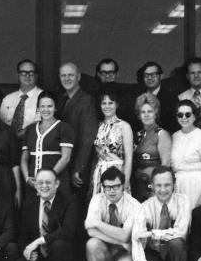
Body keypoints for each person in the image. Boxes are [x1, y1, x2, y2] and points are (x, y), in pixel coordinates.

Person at [16, 168, 80, 261]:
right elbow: (22, 235)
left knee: (60, 244)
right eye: (40, 183)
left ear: (57, 184)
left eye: (48, 182)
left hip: (63, 254)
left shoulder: (69, 201)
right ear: (35, 185)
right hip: (41, 256)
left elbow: (68, 230)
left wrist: (39, 241)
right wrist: (27, 251)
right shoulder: (29, 203)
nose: (44, 186)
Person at [130, 166, 191, 261]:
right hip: (154, 255)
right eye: (158, 185)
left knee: (177, 243)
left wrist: (152, 233)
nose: (163, 190)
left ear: (174, 185)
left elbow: (180, 232)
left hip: (175, 257)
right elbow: (136, 239)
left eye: (167, 185)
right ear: (152, 186)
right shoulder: (144, 207)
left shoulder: (183, 201)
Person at [85, 167, 141, 261]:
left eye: (116, 186)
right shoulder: (97, 200)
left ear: (124, 186)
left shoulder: (134, 205)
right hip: (107, 249)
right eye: (107, 187)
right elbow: (90, 231)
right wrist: (120, 240)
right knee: (92, 244)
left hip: (124, 252)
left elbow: (125, 236)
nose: (111, 191)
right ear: (102, 188)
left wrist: (98, 224)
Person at [21, 90, 74, 198]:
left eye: (49, 106)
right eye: (42, 106)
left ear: (55, 108)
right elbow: (24, 158)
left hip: (56, 182)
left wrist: (48, 178)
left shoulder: (63, 128)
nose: (46, 110)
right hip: (33, 184)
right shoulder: (30, 129)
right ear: (38, 108)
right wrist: (27, 178)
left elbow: (66, 158)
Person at [56, 62, 98, 196]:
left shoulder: (87, 100)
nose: (67, 79)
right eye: (63, 75)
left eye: (70, 75)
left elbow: (87, 137)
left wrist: (78, 168)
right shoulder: (62, 99)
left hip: (77, 167)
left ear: (78, 77)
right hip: (64, 164)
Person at [170, 100, 201, 209]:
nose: (184, 117)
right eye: (180, 115)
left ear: (194, 116)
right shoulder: (174, 136)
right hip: (178, 185)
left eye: (188, 114)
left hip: (196, 185)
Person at [91, 86, 133, 195]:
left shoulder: (124, 126)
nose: (107, 106)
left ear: (117, 104)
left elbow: (129, 158)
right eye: (104, 103)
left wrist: (126, 182)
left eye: (110, 103)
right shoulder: (98, 126)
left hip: (118, 174)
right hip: (99, 174)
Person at [131, 93, 172, 201]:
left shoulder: (161, 134)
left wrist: (159, 187)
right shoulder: (138, 135)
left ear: (156, 113)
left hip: (154, 187)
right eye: (143, 112)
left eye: (150, 111)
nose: (146, 115)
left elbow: (166, 165)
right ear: (139, 115)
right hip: (138, 186)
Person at [0, 59, 43, 138]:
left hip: (32, 142)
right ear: (18, 76)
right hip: (8, 143)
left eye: (31, 72)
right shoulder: (8, 99)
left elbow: (40, 123)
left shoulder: (43, 97)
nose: (27, 76)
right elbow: (0, 123)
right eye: (23, 72)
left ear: (36, 76)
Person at [137, 61, 177, 133]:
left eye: (153, 75)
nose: (149, 78)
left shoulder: (171, 98)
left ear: (161, 76)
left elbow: (173, 126)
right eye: (146, 75)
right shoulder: (138, 97)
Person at [177, 57, 201, 130]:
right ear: (187, 76)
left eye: (199, 72)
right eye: (192, 73)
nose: (196, 76)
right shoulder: (180, 98)